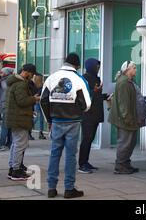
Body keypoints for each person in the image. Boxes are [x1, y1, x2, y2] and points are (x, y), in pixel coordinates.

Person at [41, 53, 91, 199]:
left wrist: (49, 120)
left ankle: (51, 188)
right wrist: (77, 111)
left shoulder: (52, 78)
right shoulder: (79, 79)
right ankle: (69, 188)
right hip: (73, 122)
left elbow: (43, 100)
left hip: (56, 121)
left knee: (54, 154)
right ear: (77, 65)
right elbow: (87, 104)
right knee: (70, 155)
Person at [6, 64, 40, 181]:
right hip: (20, 118)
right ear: (27, 72)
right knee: (20, 145)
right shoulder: (20, 84)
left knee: (16, 144)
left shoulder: (13, 82)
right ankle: (16, 170)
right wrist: (34, 99)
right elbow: (22, 101)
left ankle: (13, 168)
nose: (32, 76)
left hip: (16, 118)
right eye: (32, 74)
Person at [109, 60, 140, 175]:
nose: (135, 70)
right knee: (125, 143)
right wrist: (127, 119)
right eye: (134, 68)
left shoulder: (127, 81)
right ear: (128, 70)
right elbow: (123, 104)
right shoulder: (124, 83)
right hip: (124, 119)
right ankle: (120, 166)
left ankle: (125, 164)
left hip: (127, 117)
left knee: (130, 143)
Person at [78, 58, 107, 174]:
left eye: (99, 67)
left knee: (90, 139)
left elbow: (96, 95)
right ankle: (82, 164)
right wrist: (94, 91)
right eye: (96, 66)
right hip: (88, 114)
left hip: (95, 113)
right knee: (87, 138)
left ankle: (86, 161)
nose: (98, 69)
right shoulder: (84, 78)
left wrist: (105, 96)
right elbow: (83, 96)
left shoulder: (96, 78)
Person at [0, 67, 14, 151]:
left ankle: (1, 143)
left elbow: (5, 90)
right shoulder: (6, 80)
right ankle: (9, 143)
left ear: (6, 73)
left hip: (6, 106)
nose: (0, 73)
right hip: (6, 105)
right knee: (8, 126)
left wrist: (1, 81)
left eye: (2, 72)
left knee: (4, 126)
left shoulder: (6, 81)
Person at [29, 74, 46, 140]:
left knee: (36, 117)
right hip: (41, 102)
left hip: (36, 102)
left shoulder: (34, 86)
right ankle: (40, 133)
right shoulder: (42, 86)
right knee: (41, 118)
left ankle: (29, 132)